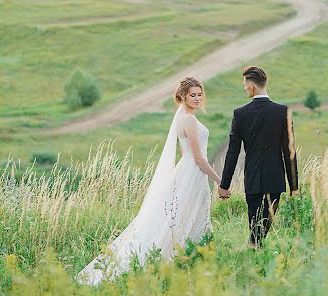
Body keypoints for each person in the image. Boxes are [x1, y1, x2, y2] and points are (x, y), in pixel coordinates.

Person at [77, 77, 222, 286]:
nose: (198, 98)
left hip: (187, 171)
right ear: (183, 96)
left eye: (200, 94)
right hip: (192, 171)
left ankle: (189, 261)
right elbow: (198, 157)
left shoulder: (184, 118)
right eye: (193, 95)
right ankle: (187, 261)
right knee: (188, 216)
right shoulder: (188, 120)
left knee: (184, 216)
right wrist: (219, 180)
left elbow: (186, 154)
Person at [219, 65, 299, 247]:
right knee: (262, 227)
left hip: (253, 178)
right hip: (275, 178)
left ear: (251, 87)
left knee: (255, 226)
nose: (244, 87)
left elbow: (233, 152)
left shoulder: (240, 114)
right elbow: (290, 150)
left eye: (245, 84)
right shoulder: (282, 112)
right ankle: (255, 252)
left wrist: (225, 185)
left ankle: (254, 251)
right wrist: (294, 184)